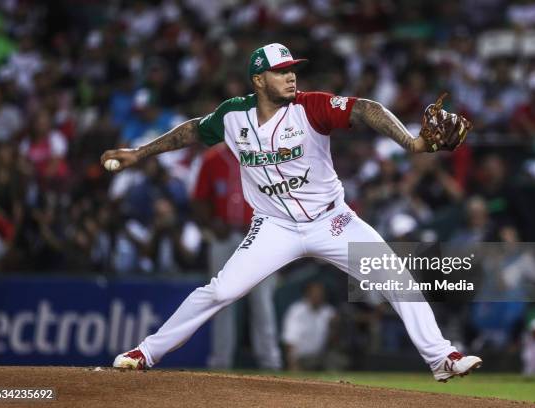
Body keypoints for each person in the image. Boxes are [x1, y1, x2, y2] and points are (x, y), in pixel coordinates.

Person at [102, 43, 481, 381]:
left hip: (333, 221)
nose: (290, 75)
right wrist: (139, 153)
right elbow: (190, 131)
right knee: (220, 290)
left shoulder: (310, 106)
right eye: (280, 71)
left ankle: (442, 357)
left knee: (395, 279)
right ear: (258, 80)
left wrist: (412, 143)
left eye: (292, 68)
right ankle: (146, 353)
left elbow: (366, 109)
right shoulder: (233, 115)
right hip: (274, 227)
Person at [194, 143, 281, 369]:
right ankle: (221, 361)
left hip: (257, 238)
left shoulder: (265, 154)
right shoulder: (212, 158)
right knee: (221, 300)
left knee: (261, 301)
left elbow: (279, 196)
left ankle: (270, 361)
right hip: (223, 237)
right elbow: (199, 198)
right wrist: (212, 223)